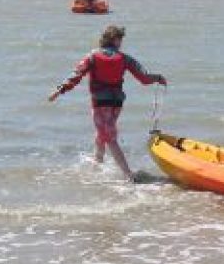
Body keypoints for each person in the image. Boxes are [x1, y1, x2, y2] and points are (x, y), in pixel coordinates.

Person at [48, 25, 167, 181]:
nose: (121, 43)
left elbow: (76, 75)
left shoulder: (92, 56)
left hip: (100, 103)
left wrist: (60, 90)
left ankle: (128, 175)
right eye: (120, 39)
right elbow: (144, 78)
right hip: (116, 103)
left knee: (109, 137)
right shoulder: (125, 58)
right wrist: (158, 78)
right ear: (115, 40)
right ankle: (98, 162)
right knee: (103, 132)